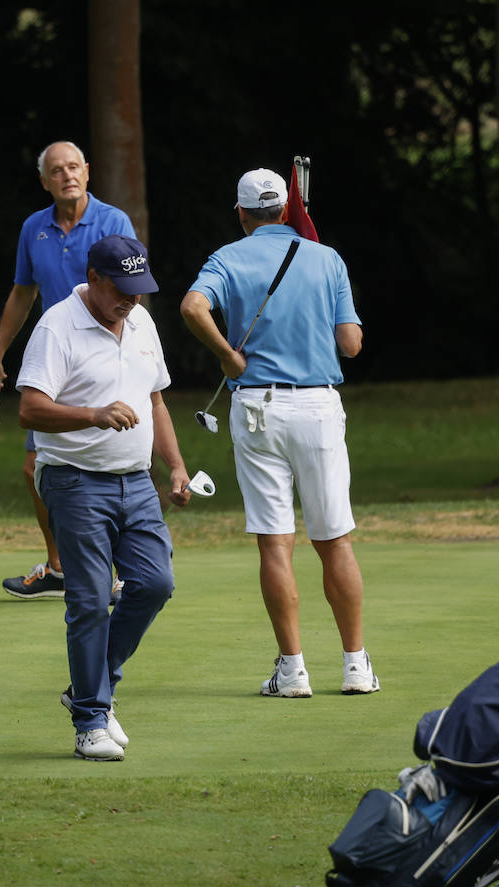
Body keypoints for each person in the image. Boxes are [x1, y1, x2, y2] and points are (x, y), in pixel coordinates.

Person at [179, 167, 380, 697]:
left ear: (242, 213)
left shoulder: (227, 257)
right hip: (317, 406)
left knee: (276, 545)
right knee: (334, 540)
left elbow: (192, 307)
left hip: (257, 409)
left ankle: (292, 672)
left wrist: (227, 355)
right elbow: (351, 345)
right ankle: (356, 665)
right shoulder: (327, 257)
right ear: (288, 209)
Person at [17, 235, 191, 760]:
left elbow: (155, 401)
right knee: (90, 599)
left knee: (155, 583)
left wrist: (176, 466)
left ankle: (92, 687)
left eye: (139, 291)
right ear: (94, 278)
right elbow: (30, 409)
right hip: (73, 480)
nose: (131, 301)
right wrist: (93, 414)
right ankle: (91, 720)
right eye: (122, 289)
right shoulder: (56, 327)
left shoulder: (140, 321)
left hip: (136, 480)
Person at [0, 140, 137, 600]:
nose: (67, 175)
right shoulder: (35, 228)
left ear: (87, 172)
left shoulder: (113, 222)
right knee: (36, 468)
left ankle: (111, 568)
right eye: (57, 170)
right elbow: (22, 294)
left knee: (108, 464)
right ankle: (60, 567)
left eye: (74, 167)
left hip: (103, 355)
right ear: (45, 180)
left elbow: (132, 290)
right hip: (55, 359)